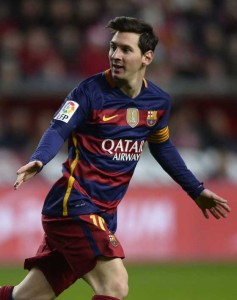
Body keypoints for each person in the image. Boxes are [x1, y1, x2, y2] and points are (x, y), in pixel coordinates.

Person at [0, 16, 231, 300]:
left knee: (28, 296)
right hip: (73, 205)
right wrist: (40, 158)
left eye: (125, 49)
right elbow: (58, 127)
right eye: (113, 47)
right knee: (115, 285)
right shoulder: (89, 92)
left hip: (104, 213)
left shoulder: (158, 102)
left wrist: (196, 190)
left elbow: (163, 148)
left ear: (147, 57)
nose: (115, 55)